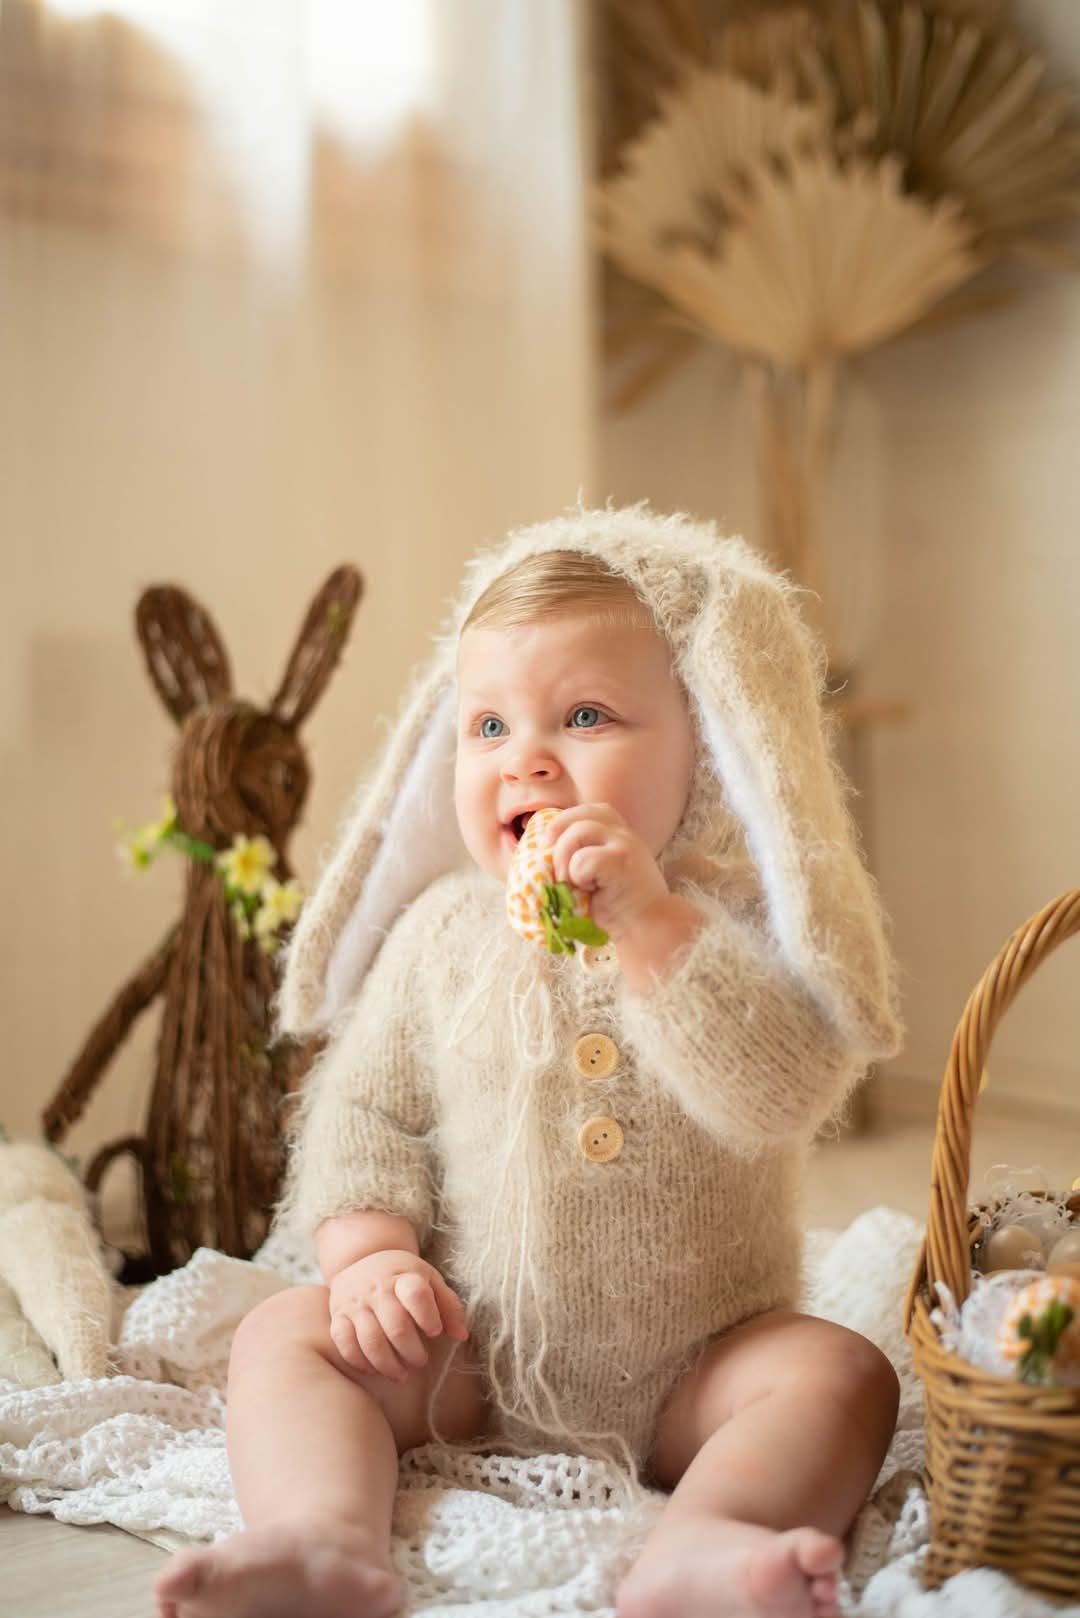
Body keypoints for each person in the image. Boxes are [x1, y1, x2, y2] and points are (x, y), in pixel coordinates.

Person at [154, 504, 903, 1618]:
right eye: (488, 727)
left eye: (585, 715)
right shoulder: (442, 934)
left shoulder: (722, 924)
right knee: (286, 1334)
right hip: (468, 1350)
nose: (527, 761)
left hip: (697, 1365)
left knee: (844, 1376)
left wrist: (650, 925)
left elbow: (778, 1088)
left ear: (707, 740)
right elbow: (364, 1114)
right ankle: (323, 1537)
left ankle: (709, 1541)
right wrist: (370, 1259)